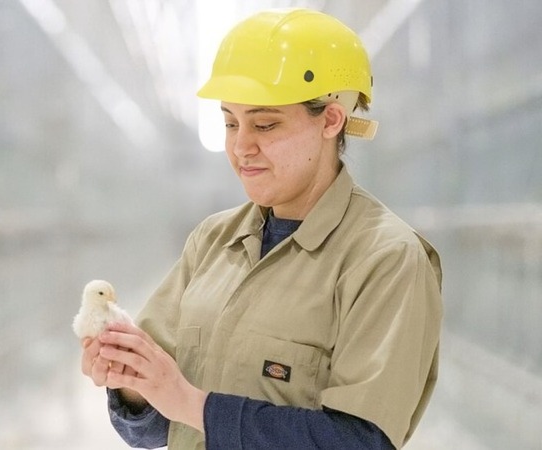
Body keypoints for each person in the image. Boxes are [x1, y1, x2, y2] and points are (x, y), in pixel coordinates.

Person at [80, 8, 442, 449]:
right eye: (230, 122)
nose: (240, 147)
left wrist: (191, 403)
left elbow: (361, 442)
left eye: (265, 124)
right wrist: (133, 383)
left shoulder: (385, 259)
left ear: (331, 120)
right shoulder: (212, 243)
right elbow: (154, 427)